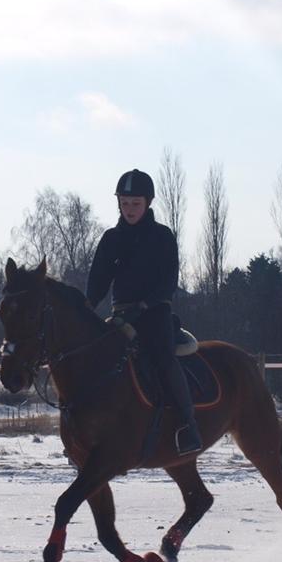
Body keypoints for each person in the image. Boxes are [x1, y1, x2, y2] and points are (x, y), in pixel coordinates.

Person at [86, 168, 203, 455]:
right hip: (121, 315)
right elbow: (99, 280)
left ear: (148, 202)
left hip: (154, 314)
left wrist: (146, 304)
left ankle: (187, 426)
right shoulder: (111, 239)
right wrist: (87, 306)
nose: (129, 210)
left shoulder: (162, 236)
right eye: (124, 204)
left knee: (163, 359)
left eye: (135, 204)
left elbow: (168, 281)